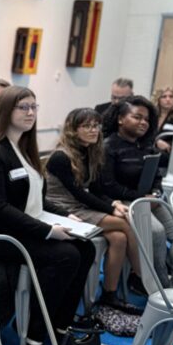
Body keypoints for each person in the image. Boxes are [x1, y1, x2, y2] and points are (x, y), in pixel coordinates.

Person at [0, 86, 95, 345]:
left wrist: (63, 214)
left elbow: (35, 197)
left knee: (86, 248)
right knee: (66, 255)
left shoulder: (24, 148)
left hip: (23, 225)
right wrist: (47, 231)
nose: (30, 112)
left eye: (34, 107)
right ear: (5, 110)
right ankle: (35, 337)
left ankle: (59, 327)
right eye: (23, 107)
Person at [46, 108, 145, 312]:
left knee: (119, 238)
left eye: (96, 126)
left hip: (81, 205)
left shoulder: (91, 152)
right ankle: (141, 276)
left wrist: (114, 204)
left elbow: (96, 190)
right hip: (63, 209)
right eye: (86, 126)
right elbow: (79, 194)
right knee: (125, 222)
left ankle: (109, 295)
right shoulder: (61, 157)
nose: (93, 130)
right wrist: (110, 209)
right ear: (73, 130)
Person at [102, 96, 173, 288]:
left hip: (147, 200)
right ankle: (160, 285)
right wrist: (140, 197)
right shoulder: (108, 146)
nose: (143, 122)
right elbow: (107, 185)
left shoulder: (146, 144)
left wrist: (155, 192)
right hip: (122, 203)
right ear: (120, 119)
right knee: (156, 231)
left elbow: (156, 175)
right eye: (137, 117)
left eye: (146, 119)